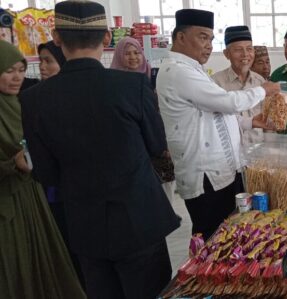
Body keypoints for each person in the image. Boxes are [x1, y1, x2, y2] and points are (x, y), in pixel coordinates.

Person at [20, 1, 180, 297]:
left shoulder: (34, 100)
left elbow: (47, 173)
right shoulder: (133, 86)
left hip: (85, 224)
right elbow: (157, 146)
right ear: (107, 38)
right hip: (139, 220)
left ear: (56, 37)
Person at [156, 9, 280, 240]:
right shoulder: (179, 72)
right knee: (211, 236)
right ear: (180, 37)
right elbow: (228, 102)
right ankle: (200, 275)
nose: (208, 45)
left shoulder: (194, 70)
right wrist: (265, 90)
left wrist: (250, 121)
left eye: (211, 39)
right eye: (202, 37)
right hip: (206, 175)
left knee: (225, 232)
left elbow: (214, 114)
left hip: (222, 171)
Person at [0, 39, 85, 299]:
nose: (17, 77)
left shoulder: (24, 104)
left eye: (21, 70)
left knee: (42, 263)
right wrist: (10, 165)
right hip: (6, 207)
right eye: (9, 70)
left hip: (34, 199)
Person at [110, 36, 176, 202]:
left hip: (158, 139)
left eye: (136, 52)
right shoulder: (113, 82)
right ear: (119, 56)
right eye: (127, 54)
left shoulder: (153, 75)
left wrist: (163, 142)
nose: (133, 57)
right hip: (132, 144)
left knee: (164, 189)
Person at [213, 26, 267, 145]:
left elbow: (266, 120)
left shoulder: (260, 82)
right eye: (238, 49)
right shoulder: (216, 83)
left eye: (249, 49)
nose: (245, 55)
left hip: (258, 153)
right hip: (230, 155)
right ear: (226, 54)